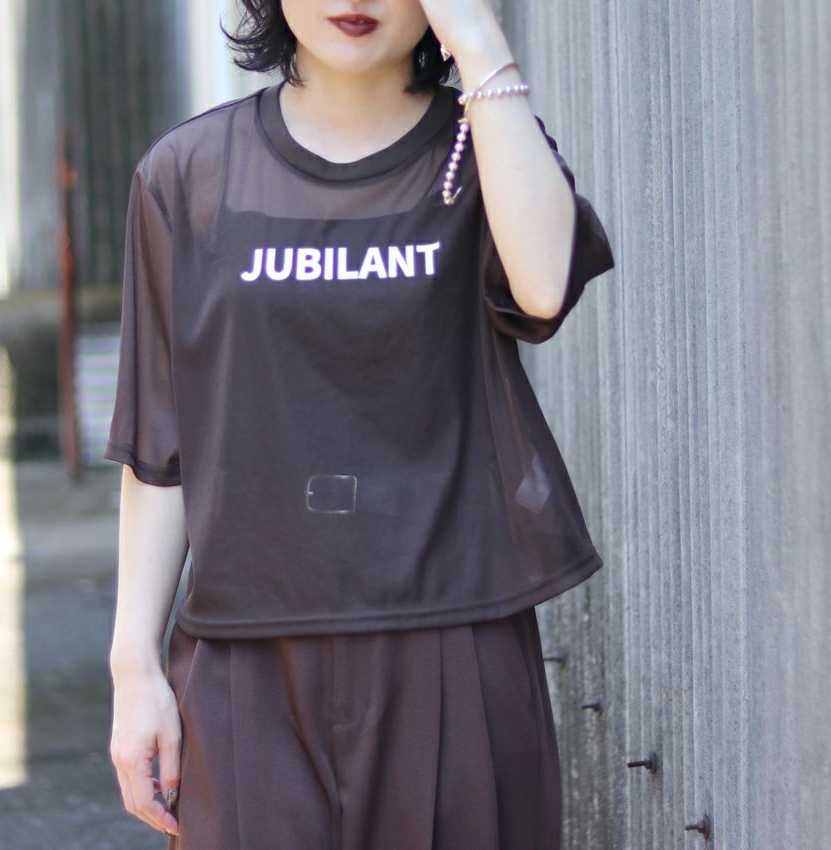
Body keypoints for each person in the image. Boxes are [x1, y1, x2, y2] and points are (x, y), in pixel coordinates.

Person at [105, 1, 615, 848]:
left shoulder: (481, 148)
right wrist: (134, 668)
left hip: (454, 639)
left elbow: (543, 287)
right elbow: (160, 447)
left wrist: (478, 41)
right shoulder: (189, 174)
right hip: (245, 657)